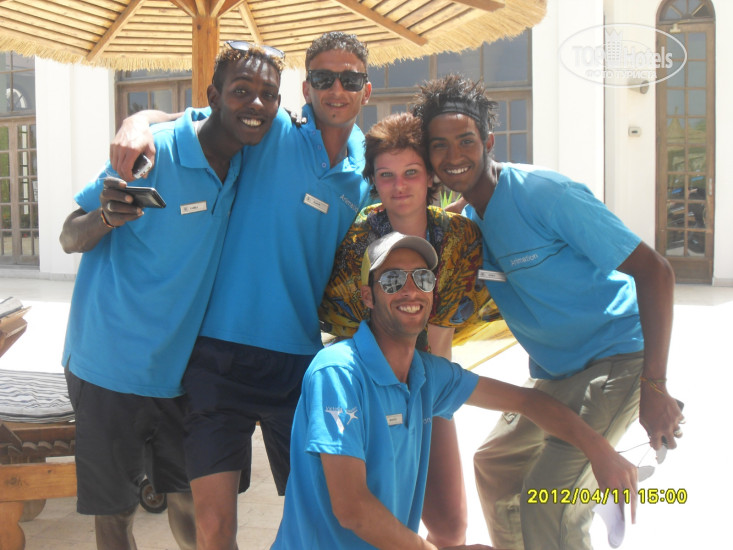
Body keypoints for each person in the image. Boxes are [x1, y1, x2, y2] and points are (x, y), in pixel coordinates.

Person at [110, 32, 372, 549]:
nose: (336, 89)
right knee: (213, 528)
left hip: (298, 363)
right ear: (306, 88)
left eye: (350, 79)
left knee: (321, 514)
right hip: (217, 358)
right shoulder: (271, 127)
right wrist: (135, 120)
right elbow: (189, 120)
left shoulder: (363, 169)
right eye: (323, 78)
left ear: (367, 89)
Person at [411, 74, 685, 550]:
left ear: (488, 142)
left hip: (618, 359)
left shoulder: (545, 194)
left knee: (550, 503)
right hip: (556, 374)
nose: (454, 156)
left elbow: (655, 271)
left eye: (466, 141)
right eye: (439, 145)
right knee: (496, 464)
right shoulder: (466, 227)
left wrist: (655, 385)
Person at [272, 231, 638, 550]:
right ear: (368, 296)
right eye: (392, 280)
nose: (410, 289)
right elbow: (352, 508)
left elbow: (527, 401)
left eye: (422, 278)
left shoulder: (427, 375)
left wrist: (599, 449)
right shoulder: (339, 373)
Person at [59, 45, 283, 550]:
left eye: (268, 94)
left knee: (193, 504)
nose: (255, 103)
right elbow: (69, 236)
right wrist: (105, 217)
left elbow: (190, 112)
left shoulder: (251, 155)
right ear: (215, 96)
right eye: (242, 90)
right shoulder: (151, 153)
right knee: (115, 514)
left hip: (185, 371)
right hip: (108, 366)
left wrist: (140, 115)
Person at [318, 112, 498, 546]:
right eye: (387, 175)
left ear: (431, 176)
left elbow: (439, 340)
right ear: (373, 181)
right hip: (368, 387)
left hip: (430, 379)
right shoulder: (356, 241)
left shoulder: (458, 237)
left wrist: (431, 406)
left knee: (451, 525)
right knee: (382, 519)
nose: (399, 186)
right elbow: (349, 333)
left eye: (411, 173)